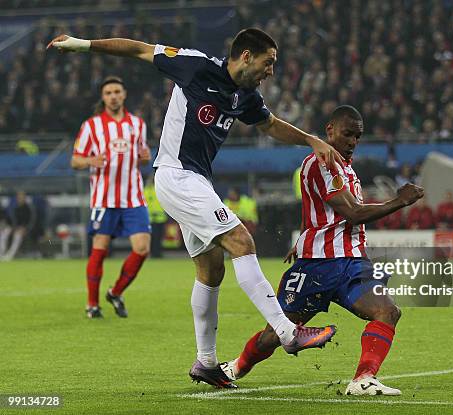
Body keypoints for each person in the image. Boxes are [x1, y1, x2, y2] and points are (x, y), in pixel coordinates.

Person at [48, 27, 341, 388]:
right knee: (241, 242)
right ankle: (287, 331)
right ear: (246, 56)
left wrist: (310, 140)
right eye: (269, 63)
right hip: (176, 175)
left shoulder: (246, 95)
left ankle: (205, 363)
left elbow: (270, 126)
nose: (271, 71)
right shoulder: (196, 66)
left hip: (197, 181)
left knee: (211, 269)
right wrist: (82, 44)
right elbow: (139, 50)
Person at [219, 106, 424, 396]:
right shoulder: (321, 163)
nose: (353, 141)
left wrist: (303, 234)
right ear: (330, 130)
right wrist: (399, 201)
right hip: (318, 267)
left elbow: (315, 207)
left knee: (387, 311)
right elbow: (352, 213)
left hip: (352, 262)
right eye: (347, 134)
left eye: (358, 136)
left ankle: (363, 379)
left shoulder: (346, 167)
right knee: (276, 335)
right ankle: (236, 367)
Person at [70, 76, 152, 319]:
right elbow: (75, 160)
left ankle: (115, 292)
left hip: (133, 197)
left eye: (117, 91)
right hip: (103, 199)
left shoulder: (137, 124)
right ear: (103, 98)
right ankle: (92, 305)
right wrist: (89, 161)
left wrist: (144, 158)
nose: (113, 96)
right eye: (108, 93)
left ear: (124, 94)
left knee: (142, 248)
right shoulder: (91, 126)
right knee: (100, 249)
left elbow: (141, 157)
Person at [0, 191, 34, 260]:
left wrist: (25, 229)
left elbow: (32, 221)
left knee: (17, 235)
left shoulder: (29, 209)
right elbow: (13, 221)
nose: (20, 199)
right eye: (18, 198)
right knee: (4, 232)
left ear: (24, 198)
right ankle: (1, 253)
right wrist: (11, 227)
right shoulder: (16, 209)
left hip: (25, 230)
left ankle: (10, 255)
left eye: (21, 197)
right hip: (16, 228)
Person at [143, 174, 168, 258]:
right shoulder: (148, 190)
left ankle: (157, 253)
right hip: (152, 218)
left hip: (159, 218)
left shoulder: (156, 190)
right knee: (153, 238)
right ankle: (154, 253)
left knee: (158, 237)